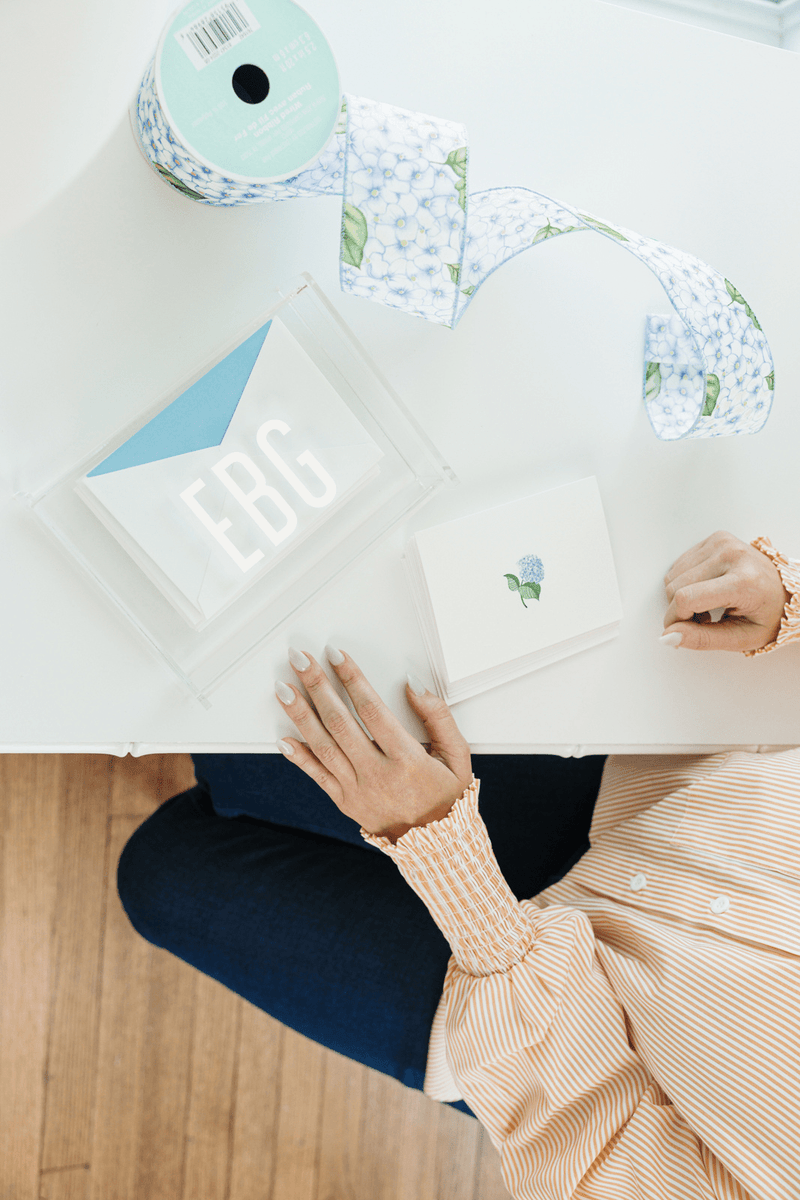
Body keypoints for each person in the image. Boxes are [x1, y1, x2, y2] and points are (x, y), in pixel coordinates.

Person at [117, 530, 800, 1200]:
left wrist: (438, 847)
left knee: (160, 872)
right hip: (655, 796)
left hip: (533, 1031)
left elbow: (594, 1149)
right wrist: (788, 602)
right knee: (236, 747)